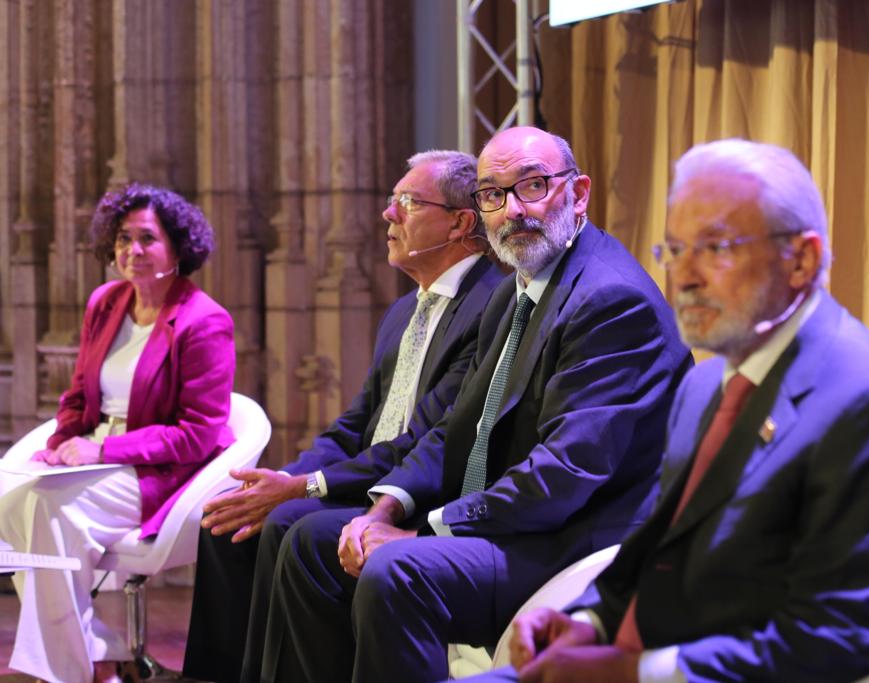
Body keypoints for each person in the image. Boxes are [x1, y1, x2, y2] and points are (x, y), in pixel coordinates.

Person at [471, 139, 869, 683]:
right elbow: (657, 549)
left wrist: (635, 673)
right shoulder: (705, 386)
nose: (685, 278)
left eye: (717, 247)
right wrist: (586, 622)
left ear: (801, 260)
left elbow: (842, 638)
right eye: (676, 251)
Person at [241, 126, 692, 683]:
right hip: (524, 523)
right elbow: (460, 426)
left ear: (578, 195)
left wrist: (428, 529)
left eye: (531, 186)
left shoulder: (610, 300)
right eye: (492, 194)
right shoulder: (516, 289)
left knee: (398, 570)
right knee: (313, 540)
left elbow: (565, 474)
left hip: (580, 540)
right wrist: (386, 507)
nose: (512, 210)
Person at [182, 150, 505, 682]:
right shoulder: (405, 309)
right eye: (391, 201)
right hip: (367, 475)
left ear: (460, 222)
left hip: (420, 489)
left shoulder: (488, 304)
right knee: (229, 520)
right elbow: (356, 425)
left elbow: (427, 439)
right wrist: (285, 478)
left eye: (407, 202)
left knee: (291, 522)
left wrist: (303, 489)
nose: (388, 215)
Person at [0, 184, 235, 683]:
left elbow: (197, 434)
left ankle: (61, 673)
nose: (133, 250)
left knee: (51, 509)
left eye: (147, 238)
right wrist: (58, 444)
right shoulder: (106, 302)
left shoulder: (204, 320)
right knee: (10, 502)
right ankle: (97, 653)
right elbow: (79, 395)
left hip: (158, 471)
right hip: (94, 458)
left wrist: (101, 449)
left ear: (178, 247)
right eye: (123, 238)